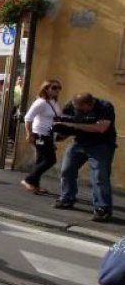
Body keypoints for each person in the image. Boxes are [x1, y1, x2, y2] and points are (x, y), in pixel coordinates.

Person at [52, 93, 117, 222]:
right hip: (79, 143)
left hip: (101, 145)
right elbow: (67, 125)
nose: (78, 112)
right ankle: (67, 199)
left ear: (90, 104)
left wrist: (74, 125)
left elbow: (101, 128)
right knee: (66, 170)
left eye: (81, 109)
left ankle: (102, 209)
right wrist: (60, 133)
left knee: (99, 176)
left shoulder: (105, 107)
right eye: (77, 109)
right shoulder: (72, 105)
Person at [20, 79, 62, 195]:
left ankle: (35, 185)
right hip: (39, 134)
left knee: (40, 160)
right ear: (46, 89)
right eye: (54, 88)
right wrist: (29, 134)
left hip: (49, 135)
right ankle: (28, 180)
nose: (57, 90)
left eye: (59, 88)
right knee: (50, 160)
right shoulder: (41, 102)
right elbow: (28, 118)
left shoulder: (53, 102)